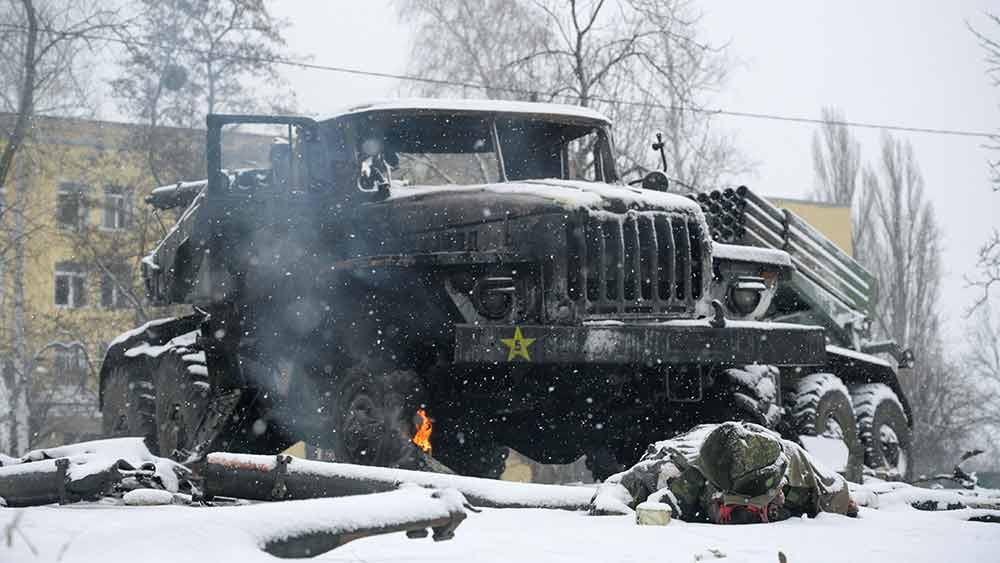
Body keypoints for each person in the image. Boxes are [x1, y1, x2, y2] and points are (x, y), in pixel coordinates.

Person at [590, 421, 857, 523]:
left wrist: (846, 506)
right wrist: (617, 506)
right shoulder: (676, 472)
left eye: (757, 511)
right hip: (694, 439)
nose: (738, 519)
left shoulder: (800, 469)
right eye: (731, 511)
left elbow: (841, 497)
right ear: (714, 492)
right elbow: (616, 489)